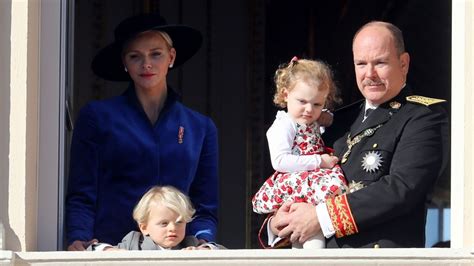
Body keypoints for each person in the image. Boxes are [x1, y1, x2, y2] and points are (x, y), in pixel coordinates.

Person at [266, 21, 448, 248]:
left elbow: (402, 188)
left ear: (403, 63)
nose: (369, 74)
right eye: (361, 64)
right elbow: (298, 178)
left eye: (380, 63)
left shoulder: (423, 116)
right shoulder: (335, 120)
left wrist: (321, 217)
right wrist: (277, 223)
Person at [66, 13, 218, 251]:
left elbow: (205, 205)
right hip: (112, 252)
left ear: (171, 56)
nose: (146, 64)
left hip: (178, 256)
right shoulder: (97, 117)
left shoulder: (200, 127)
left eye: (156, 54)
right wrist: (78, 238)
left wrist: (203, 241)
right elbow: (82, 193)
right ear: (124, 63)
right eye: (135, 56)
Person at [252, 57, 348, 249]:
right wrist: (318, 161)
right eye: (302, 101)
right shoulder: (283, 125)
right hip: (296, 184)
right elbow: (280, 161)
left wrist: (325, 118)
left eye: (317, 104)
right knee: (303, 234)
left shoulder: (311, 121)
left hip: (312, 182)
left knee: (312, 231)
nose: (309, 110)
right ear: (285, 94)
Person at [88, 186, 223, 250]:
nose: (172, 228)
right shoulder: (133, 243)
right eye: (164, 223)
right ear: (144, 227)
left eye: (179, 222)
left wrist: (204, 250)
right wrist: (110, 250)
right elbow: (92, 249)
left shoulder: (190, 244)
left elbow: (224, 253)